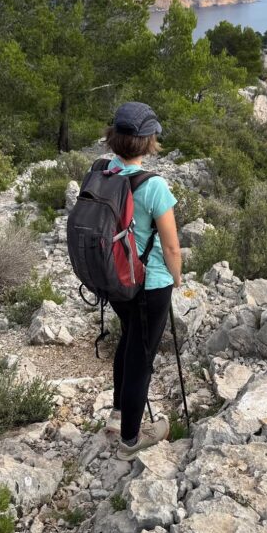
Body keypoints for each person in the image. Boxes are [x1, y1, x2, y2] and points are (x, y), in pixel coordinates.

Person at [101, 101, 182, 460]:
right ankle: (131, 440)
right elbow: (171, 246)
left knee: (129, 341)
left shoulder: (104, 172)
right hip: (150, 284)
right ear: (149, 142)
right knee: (141, 357)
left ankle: (118, 415)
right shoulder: (154, 187)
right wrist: (176, 279)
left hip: (116, 280)